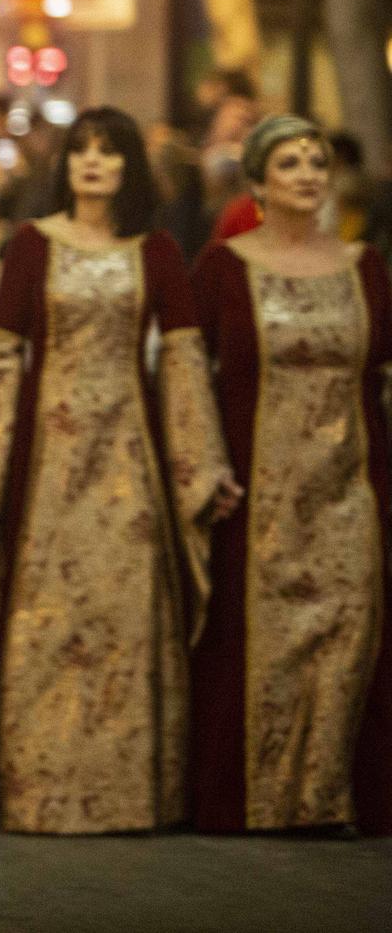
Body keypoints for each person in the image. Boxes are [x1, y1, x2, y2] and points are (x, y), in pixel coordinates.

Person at [0, 108, 237, 834]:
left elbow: (181, 361)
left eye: (109, 152)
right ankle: (35, 785)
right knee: (46, 616)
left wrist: (201, 463)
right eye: (80, 150)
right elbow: (3, 353)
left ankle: (129, 792)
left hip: (129, 456)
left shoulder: (155, 253)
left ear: (128, 169)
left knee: (123, 616)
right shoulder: (32, 245)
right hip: (48, 462)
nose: (92, 162)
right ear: (65, 166)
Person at [189, 115, 391, 835]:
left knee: (348, 631)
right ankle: (259, 797)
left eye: (317, 161)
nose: (307, 173)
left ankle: (329, 795)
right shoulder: (222, 266)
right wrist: (203, 464)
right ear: (258, 181)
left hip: (352, 485)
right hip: (257, 485)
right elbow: (186, 373)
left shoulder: (364, 265)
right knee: (262, 638)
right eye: (290, 162)